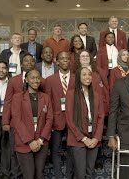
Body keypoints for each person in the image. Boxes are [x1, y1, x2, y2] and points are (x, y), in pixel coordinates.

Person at [11, 69, 53, 179]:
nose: (36, 80)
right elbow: (17, 120)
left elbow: (49, 119)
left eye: (38, 78)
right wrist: (30, 141)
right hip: (24, 142)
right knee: (29, 175)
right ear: (26, 80)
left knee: (39, 174)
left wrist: (40, 140)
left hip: (41, 142)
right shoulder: (17, 97)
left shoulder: (46, 97)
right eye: (32, 78)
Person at [2, 53, 37, 179]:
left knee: (30, 154)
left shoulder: (39, 80)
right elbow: (8, 101)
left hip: (33, 124)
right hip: (16, 123)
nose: (29, 63)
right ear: (21, 64)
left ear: (34, 63)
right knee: (15, 153)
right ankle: (16, 176)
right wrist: (5, 121)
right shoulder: (13, 80)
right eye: (26, 61)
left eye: (31, 61)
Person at [65, 67, 104, 179]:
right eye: (84, 75)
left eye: (89, 74)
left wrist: (96, 138)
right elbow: (70, 120)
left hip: (94, 138)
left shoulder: (97, 94)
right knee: (80, 174)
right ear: (78, 77)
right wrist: (84, 139)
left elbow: (101, 117)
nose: (87, 77)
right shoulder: (71, 94)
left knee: (89, 173)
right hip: (78, 139)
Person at [44, 51, 75, 179]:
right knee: (56, 150)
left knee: (72, 150)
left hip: (73, 120)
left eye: (67, 59)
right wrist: (50, 121)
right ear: (57, 61)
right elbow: (48, 101)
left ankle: (68, 175)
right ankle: (58, 175)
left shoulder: (76, 78)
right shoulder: (50, 80)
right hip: (57, 120)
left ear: (70, 61)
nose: (65, 61)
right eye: (62, 59)